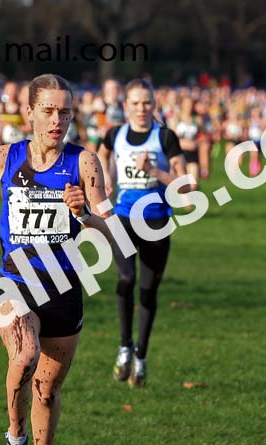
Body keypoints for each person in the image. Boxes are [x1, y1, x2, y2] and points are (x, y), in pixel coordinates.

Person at [0, 74, 114, 445]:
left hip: (64, 287)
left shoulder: (85, 163)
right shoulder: (3, 157)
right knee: (24, 356)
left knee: (47, 390)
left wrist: (84, 214)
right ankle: (14, 437)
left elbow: (111, 232)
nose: (56, 120)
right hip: (14, 280)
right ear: (28, 112)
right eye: (47, 110)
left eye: (65, 112)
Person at [98, 80, 185, 386]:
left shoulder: (165, 137)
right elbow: (102, 155)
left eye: (146, 103)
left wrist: (154, 171)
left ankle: (141, 355)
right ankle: (124, 346)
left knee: (148, 291)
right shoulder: (115, 134)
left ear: (154, 105)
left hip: (157, 221)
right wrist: (105, 181)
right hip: (122, 218)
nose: (141, 108)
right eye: (135, 103)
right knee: (126, 278)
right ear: (125, 106)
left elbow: (184, 184)